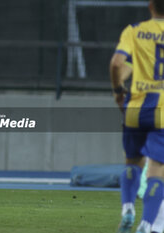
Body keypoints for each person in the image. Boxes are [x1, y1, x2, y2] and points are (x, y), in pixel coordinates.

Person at [110, 0, 164, 232]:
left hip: (135, 107)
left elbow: (117, 63)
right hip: (162, 110)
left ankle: (128, 208)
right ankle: (146, 223)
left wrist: (118, 90)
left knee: (132, 162)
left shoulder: (134, 30)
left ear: (151, 5)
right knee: (157, 170)